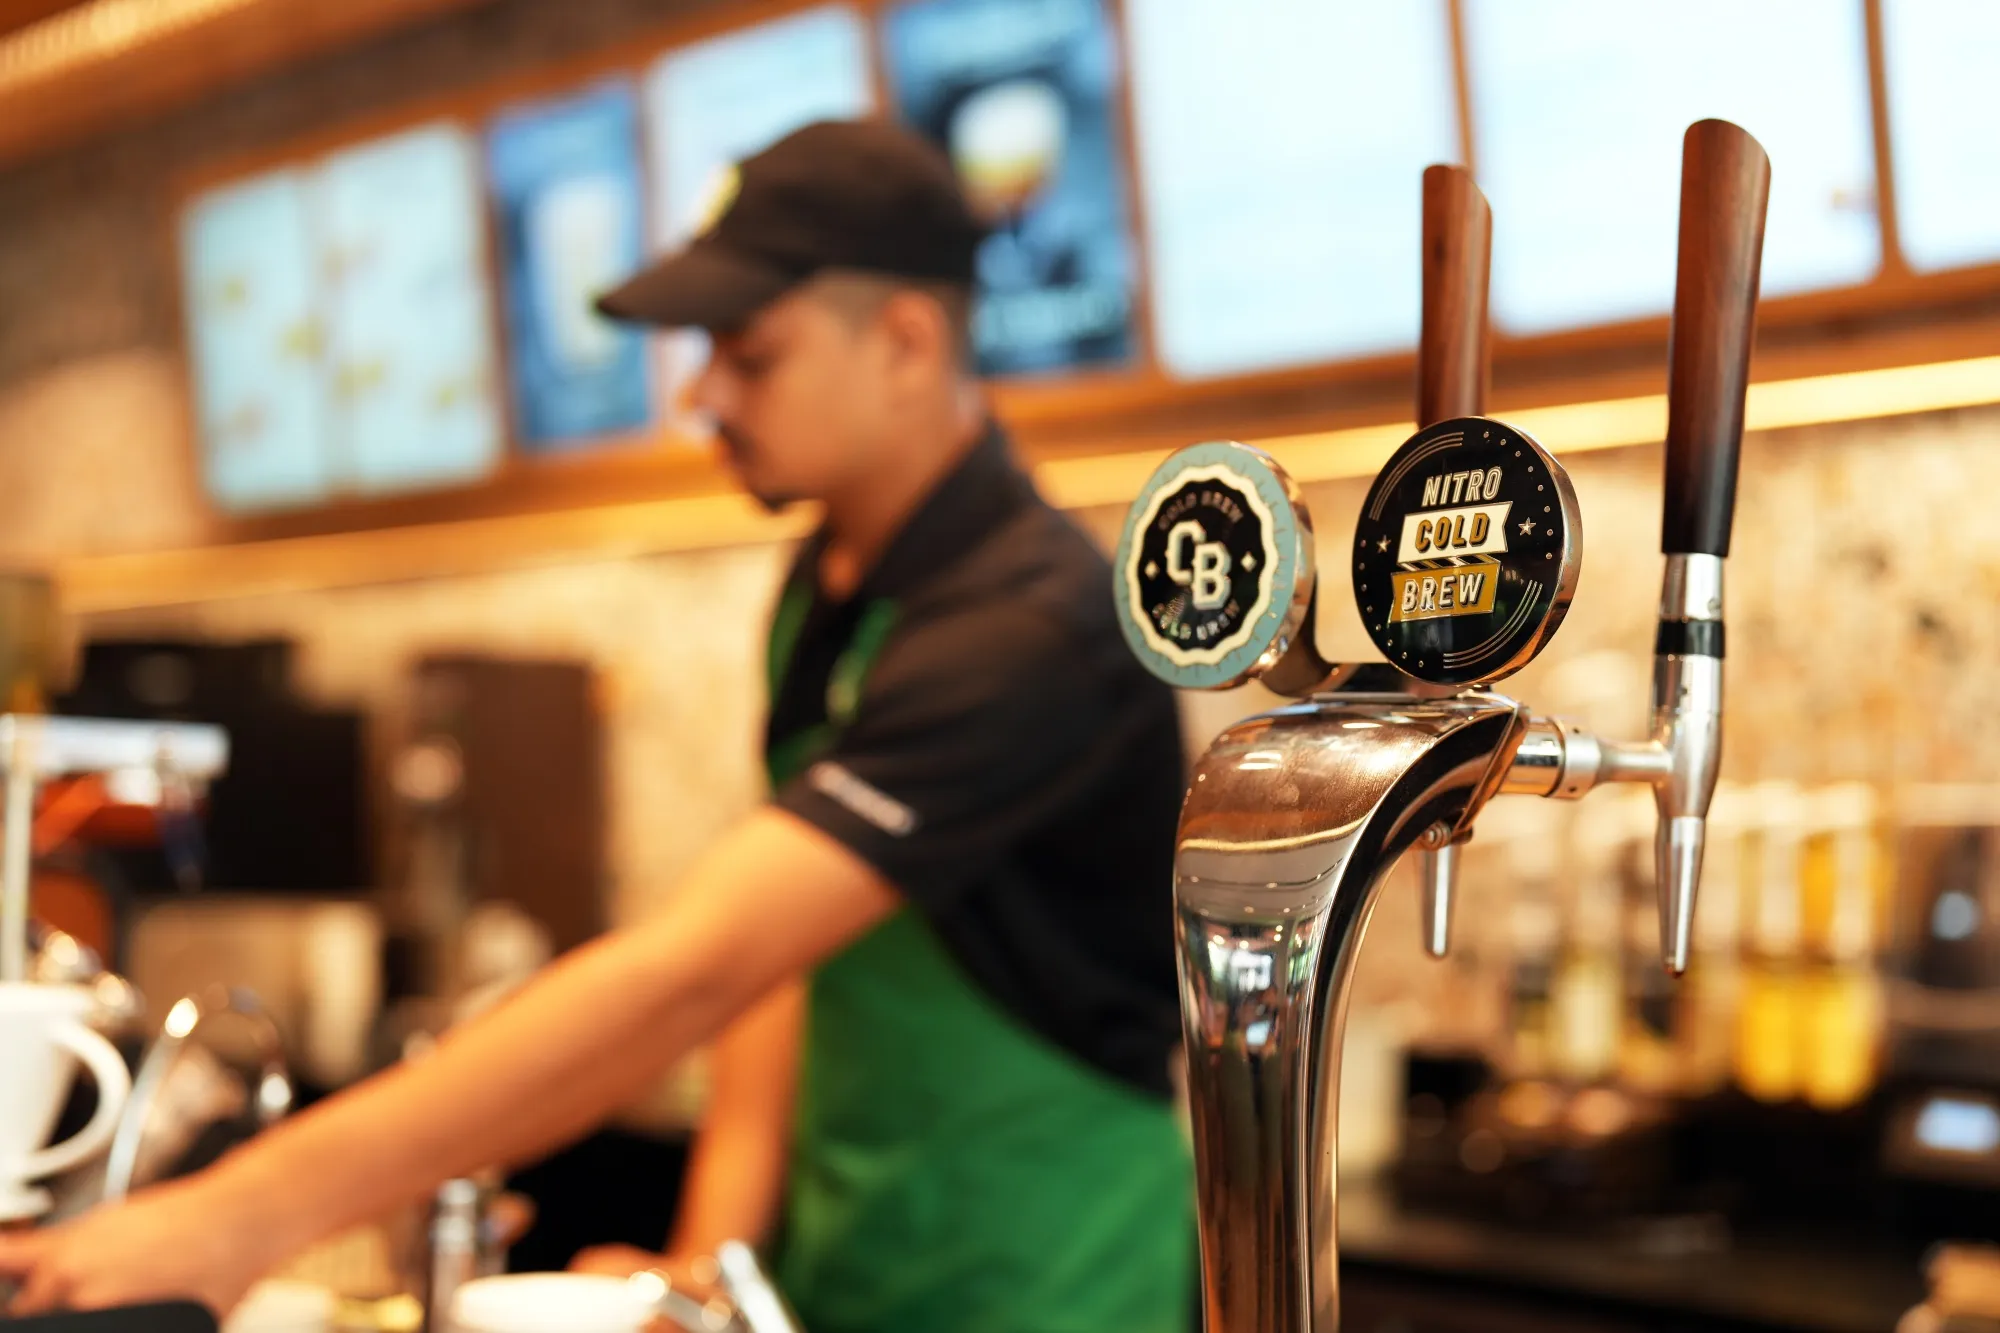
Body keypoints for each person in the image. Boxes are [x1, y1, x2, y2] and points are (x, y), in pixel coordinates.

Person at [0, 119, 1195, 1333]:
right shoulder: (825, 584)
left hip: (1046, 1268)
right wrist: (709, 1250)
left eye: (748, 351)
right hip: (843, 1254)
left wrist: (235, 1219)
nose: (699, 395)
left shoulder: (1032, 626)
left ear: (905, 339)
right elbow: (781, 954)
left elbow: (694, 968)